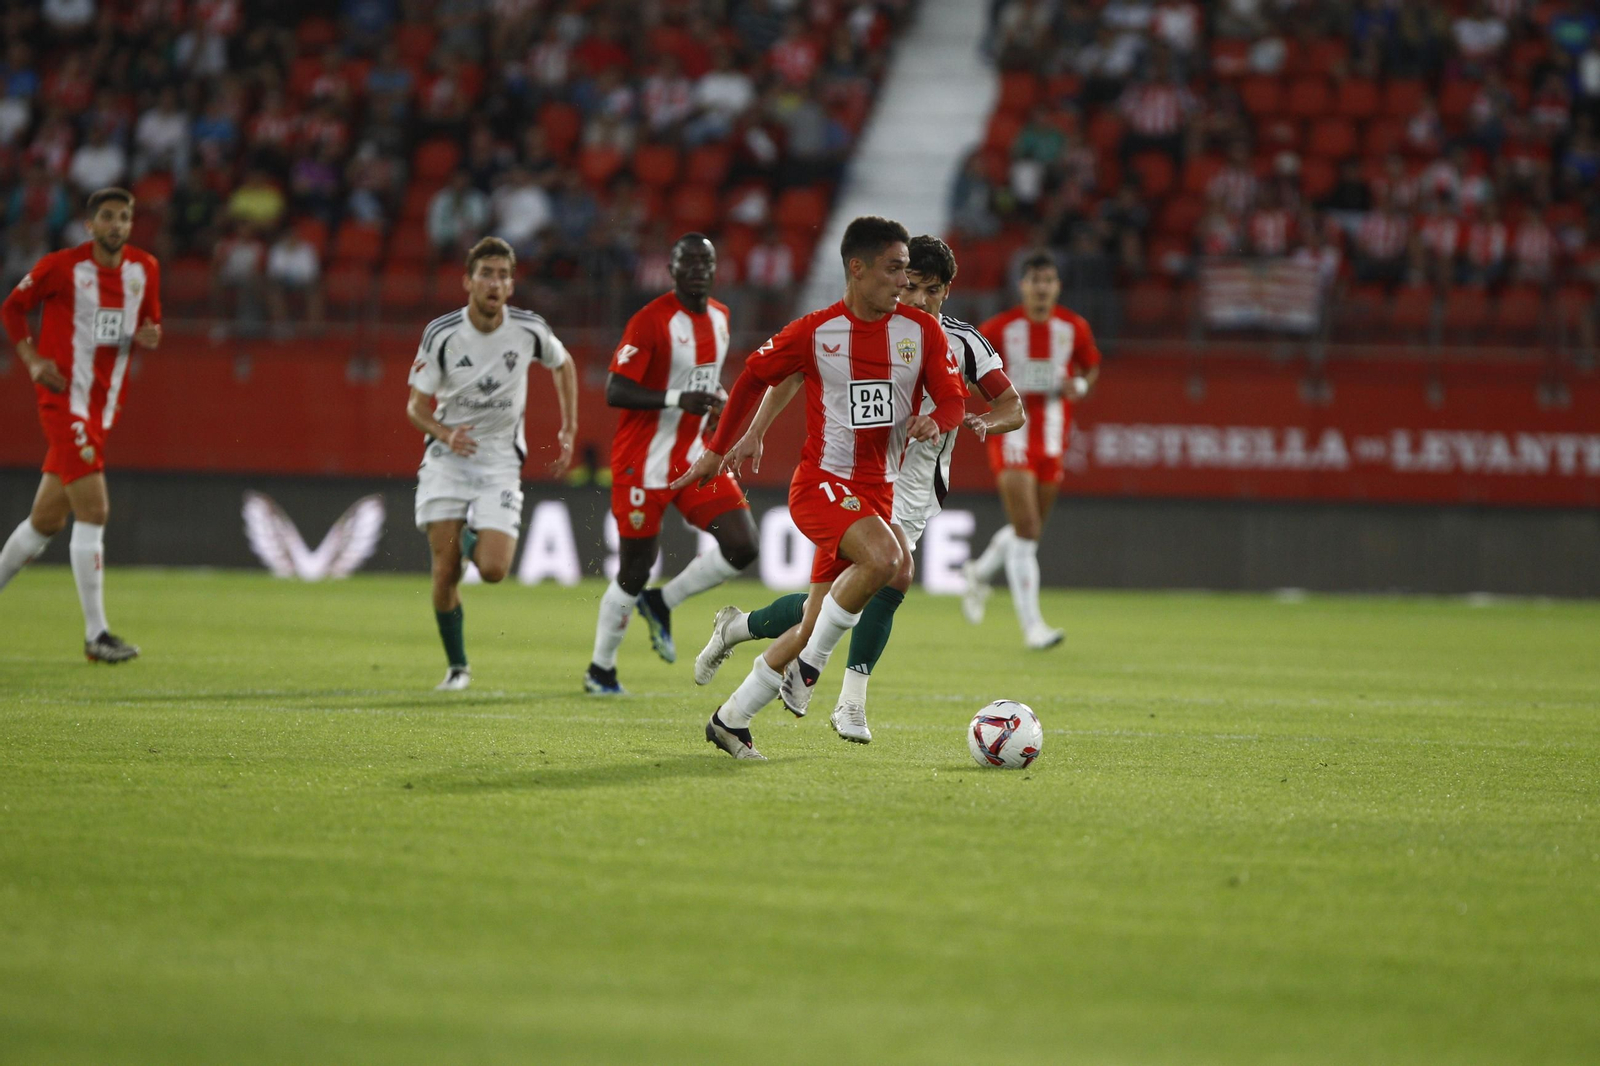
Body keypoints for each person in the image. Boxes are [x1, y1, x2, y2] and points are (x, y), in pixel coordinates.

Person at [694, 235, 1024, 743]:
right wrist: (754, 431)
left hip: (913, 490)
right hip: (853, 480)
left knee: (823, 608)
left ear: (946, 292)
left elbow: (1011, 406)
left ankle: (738, 658)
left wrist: (977, 421)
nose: (917, 299)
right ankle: (847, 700)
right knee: (892, 571)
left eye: (930, 290)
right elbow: (790, 374)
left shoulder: (957, 342)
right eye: (909, 286)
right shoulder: (864, 328)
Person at [584, 233, 758, 695]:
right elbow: (615, 390)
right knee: (635, 569)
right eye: (690, 262)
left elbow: (701, 379)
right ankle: (600, 669)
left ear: (716, 268)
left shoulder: (721, 317)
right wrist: (679, 397)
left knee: (743, 546)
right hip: (641, 463)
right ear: (673, 270)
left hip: (691, 457)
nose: (700, 269)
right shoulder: (650, 321)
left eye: (707, 261)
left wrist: (714, 400)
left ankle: (662, 603)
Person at [405, 237, 578, 691]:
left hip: (500, 461)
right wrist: (444, 433)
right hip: (447, 458)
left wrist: (569, 428)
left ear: (511, 285)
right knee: (445, 572)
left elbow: (564, 365)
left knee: (495, 570)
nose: (495, 283)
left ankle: (468, 535)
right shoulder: (441, 334)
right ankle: (458, 666)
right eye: (486, 274)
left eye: (503, 275)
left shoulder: (529, 329)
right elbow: (415, 406)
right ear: (468, 281)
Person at [0, 187, 163, 662]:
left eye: (125, 217)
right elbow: (12, 307)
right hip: (63, 401)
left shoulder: (144, 269)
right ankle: (97, 635)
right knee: (95, 511)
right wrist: (30, 359)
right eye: (108, 217)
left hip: (103, 408)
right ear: (90, 225)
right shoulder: (61, 267)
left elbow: (150, 325)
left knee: (45, 520)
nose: (117, 225)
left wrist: (152, 334)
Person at [962, 251, 1101, 649]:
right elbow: (969, 370)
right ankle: (1032, 628)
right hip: (1012, 434)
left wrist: (1082, 386)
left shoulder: (1073, 328)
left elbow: (1090, 365)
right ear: (1022, 286)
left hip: (1053, 437)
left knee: (1031, 530)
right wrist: (992, 393)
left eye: (1049, 281)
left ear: (1057, 287)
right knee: (1026, 531)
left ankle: (979, 572)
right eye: (1035, 280)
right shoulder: (1000, 329)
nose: (1042, 288)